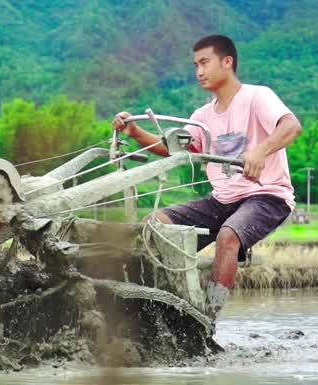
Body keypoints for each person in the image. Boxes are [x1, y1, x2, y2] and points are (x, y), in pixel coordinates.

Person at [113, 34, 303, 317]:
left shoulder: (257, 97)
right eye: (195, 65)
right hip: (221, 200)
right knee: (154, 224)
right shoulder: (201, 116)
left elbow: (292, 126)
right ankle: (157, 311)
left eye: (205, 62)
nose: (199, 71)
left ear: (227, 62)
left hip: (266, 196)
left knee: (228, 235)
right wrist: (135, 132)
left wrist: (261, 151)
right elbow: (173, 148)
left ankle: (207, 317)